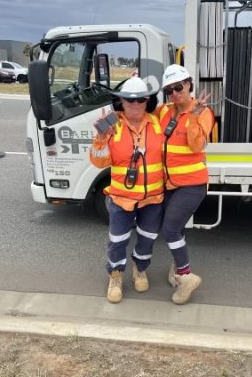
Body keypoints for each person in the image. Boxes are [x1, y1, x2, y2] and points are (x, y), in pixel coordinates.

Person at [90, 77, 164, 304]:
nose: (135, 104)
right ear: (120, 101)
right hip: (121, 199)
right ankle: (115, 276)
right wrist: (101, 138)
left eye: (140, 99)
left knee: (147, 238)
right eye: (129, 100)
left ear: (148, 101)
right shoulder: (111, 125)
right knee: (118, 239)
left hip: (153, 198)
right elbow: (99, 162)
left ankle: (140, 269)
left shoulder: (158, 122)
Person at [156, 64, 214, 305]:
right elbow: (137, 111)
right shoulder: (163, 111)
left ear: (189, 84)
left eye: (178, 87)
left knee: (169, 230)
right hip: (169, 184)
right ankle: (178, 270)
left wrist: (192, 115)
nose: (175, 93)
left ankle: (186, 275)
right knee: (175, 229)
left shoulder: (203, 112)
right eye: (169, 89)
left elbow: (196, 145)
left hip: (192, 184)